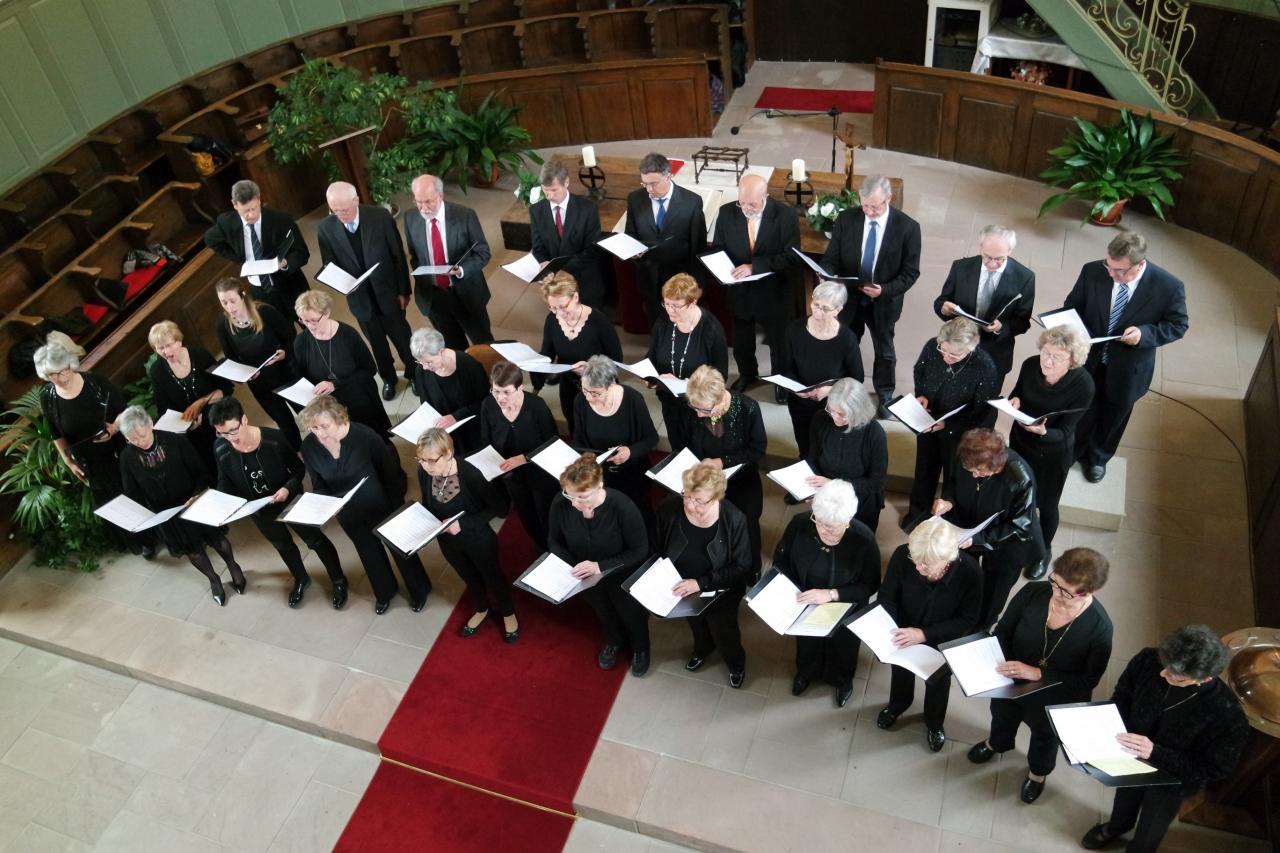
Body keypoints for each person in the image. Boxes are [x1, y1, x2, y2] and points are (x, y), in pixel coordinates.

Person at [1081, 625, 1249, 853]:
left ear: (1204, 678)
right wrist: (1110, 727)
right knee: (1125, 798)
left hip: (1173, 780)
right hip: (1130, 756)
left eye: (1175, 676)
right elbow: (1122, 696)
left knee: (1154, 821)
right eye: (1165, 665)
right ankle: (1117, 827)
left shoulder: (1227, 714)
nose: (1163, 674)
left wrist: (1155, 752)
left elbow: (1214, 768)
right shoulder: (1148, 660)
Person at [967, 548, 1113, 805]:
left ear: (1089, 592)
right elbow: (1003, 632)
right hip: (1012, 680)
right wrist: (1003, 665)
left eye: (1066, 592)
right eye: (1054, 582)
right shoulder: (1033, 592)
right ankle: (996, 744)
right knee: (1002, 715)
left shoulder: (1099, 628)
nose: (1056, 594)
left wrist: (1039, 673)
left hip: (1054, 694)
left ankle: (1037, 773)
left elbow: (1087, 681)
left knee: (1045, 737)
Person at [1063, 230, 1188, 483]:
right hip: (1090, 358)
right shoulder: (1092, 271)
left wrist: (1144, 334)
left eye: (1119, 271)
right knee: (1082, 407)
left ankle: (1098, 458)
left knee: (1114, 415)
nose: (1111, 274)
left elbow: (1178, 325)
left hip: (1128, 369)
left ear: (1139, 264)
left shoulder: (1168, 286)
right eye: (1108, 266)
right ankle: (1073, 449)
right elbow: (1072, 305)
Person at [209, 397, 350, 609]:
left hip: (291, 501)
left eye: (233, 430)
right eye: (222, 433)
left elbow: (298, 470)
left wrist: (287, 489)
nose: (230, 438)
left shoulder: (273, 439)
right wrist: (219, 500)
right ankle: (301, 578)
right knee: (283, 546)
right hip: (260, 511)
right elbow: (224, 480)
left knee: (315, 540)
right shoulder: (220, 447)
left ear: (244, 420)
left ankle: (338, 579)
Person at [299, 396, 431, 614]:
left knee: (399, 549)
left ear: (339, 418)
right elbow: (318, 483)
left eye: (324, 426)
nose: (320, 433)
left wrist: (396, 509)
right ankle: (385, 592)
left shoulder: (366, 437)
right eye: (314, 428)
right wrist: (327, 504)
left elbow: (389, 475)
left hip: (382, 504)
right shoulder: (309, 446)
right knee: (368, 552)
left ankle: (419, 589)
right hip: (348, 512)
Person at [118, 405, 245, 605]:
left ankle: (233, 566)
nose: (139, 442)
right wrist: (141, 514)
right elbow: (132, 492)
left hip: (195, 501)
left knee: (218, 540)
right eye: (132, 439)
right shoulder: (127, 457)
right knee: (193, 551)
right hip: (168, 513)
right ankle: (214, 579)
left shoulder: (175, 440)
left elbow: (201, 473)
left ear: (150, 424)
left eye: (142, 436)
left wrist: (196, 495)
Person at [875, 518, 982, 751]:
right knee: (900, 671)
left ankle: (934, 722)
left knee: (937, 682)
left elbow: (967, 620)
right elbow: (887, 597)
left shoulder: (971, 573)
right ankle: (898, 704)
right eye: (916, 560)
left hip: (942, 637)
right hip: (904, 629)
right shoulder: (903, 555)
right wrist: (890, 628)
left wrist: (924, 634)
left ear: (947, 558)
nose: (918, 568)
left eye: (926, 565)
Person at [36, 336, 149, 556]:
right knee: (112, 501)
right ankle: (137, 543)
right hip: (89, 460)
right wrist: (68, 461)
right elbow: (55, 432)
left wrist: (113, 429)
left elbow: (125, 411)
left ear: (70, 364)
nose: (61, 378)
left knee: (131, 491)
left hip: (116, 450)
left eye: (64, 370)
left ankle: (151, 534)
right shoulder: (47, 396)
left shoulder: (96, 383)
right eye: (53, 375)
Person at [819, 174, 922, 417]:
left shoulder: (908, 228)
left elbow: (910, 273)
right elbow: (831, 258)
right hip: (850, 298)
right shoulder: (847, 219)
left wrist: (884, 290)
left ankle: (885, 396)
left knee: (884, 350)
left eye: (874, 207)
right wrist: (827, 274)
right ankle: (846, 391)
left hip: (883, 301)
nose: (869, 212)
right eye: (865, 206)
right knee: (846, 344)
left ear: (889, 199)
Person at [771, 480, 880, 707]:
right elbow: (781, 561)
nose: (822, 530)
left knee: (843, 647)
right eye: (819, 522)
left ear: (847, 520)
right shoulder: (800, 524)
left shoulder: (864, 539)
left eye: (831, 527)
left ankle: (842, 681)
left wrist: (831, 594)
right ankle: (806, 672)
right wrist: (789, 590)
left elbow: (869, 585)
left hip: (844, 605)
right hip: (805, 600)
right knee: (807, 642)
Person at [549, 453, 652, 674]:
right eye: (569, 494)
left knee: (631, 614)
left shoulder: (622, 507)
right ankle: (614, 640)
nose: (574, 503)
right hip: (584, 574)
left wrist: (599, 566)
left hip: (621, 574)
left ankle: (641, 648)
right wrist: (573, 567)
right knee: (603, 611)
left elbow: (640, 550)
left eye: (582, 497)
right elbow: (554, 541)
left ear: (600, 486)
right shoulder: (561, 503)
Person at [415, 428, 518, 641]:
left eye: (432, 460)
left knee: (492, 576)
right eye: (421, 460)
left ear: (449, 453)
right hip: (447, 540)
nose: (426, 466)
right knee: (468, 576)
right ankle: (481, 608)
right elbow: (428, 502)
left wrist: (463, 524)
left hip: (477, 538)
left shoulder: (470, 475)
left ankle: (508, 612)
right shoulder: (424, 472)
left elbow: (500, 508)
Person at [1007, 326, 1095, 575]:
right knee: (1017, 493)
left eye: (1057, 357)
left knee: (1046, 504)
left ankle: (1042, 552)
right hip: (1021, 441)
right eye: (1046, 353)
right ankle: (1015, 536)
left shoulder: (1084, 385)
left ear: (1072, 360)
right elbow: (1018, 392)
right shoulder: (1030, 365)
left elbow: (1067, 431)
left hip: (1053, 453)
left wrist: (1043, 433)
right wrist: (1014, 401)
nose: (1047, 361)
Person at [656, 462, 752, 688]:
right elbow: (658, 546)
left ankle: (736, 664)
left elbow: (742, 566)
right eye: (687, 496)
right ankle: (703, 648)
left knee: (724, 631)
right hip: (683, 587)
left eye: (699, 500)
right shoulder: (668, 509)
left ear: (716, 498)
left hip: (720, 590)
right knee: (696, 624)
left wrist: (700, 583)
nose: (690, 505)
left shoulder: (734, 519)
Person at [316, 180, 414, 400]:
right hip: (360, 299)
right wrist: (339, 282)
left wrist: (404, 291)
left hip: (388, 293)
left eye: (345, 210)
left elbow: (398, 256)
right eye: (335, 211)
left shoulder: (380, 217)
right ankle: (388, 378)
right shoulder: (325, 228)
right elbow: (329, 265)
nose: (340, 215)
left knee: (403, 338)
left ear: (356, 200)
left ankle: (414, 373)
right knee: (376, 343)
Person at [934, 428, 1041, 629]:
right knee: (964, 574)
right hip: (970, 525)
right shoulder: (967, 459)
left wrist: (979, 539)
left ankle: (981, 628)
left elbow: (1020, 526)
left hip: (1007, 542)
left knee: (994, 590)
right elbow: (953, 484)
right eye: (970, 470)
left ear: (997, 465)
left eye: (980, 471)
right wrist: (948, 501)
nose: (974, 475)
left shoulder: (1020, 478)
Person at [710, 173, 800, 395]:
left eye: (752, 204)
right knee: (742, 341)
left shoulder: (785, 215)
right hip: (741, 289)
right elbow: (719, 247)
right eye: (742, 203)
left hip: (774, 290)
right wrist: (721, 267)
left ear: (765, 196)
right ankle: (747, 374)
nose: (745, 208)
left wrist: (755, 267)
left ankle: (780, 381)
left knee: (779, 343)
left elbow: (791, 257)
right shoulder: (727, 212)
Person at [904, 317, 999, 527]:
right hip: (929, 419)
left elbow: (982, 414)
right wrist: (921, 395)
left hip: (961, 431)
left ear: (970, 349)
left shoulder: (985, 367)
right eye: (943, 350)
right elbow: (920, 371)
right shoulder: (932, 347)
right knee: (924, 470)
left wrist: (949, 425)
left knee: (953, 477)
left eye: (954, 355)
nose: (946, 357)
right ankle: (917, 516)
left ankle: (946, 522)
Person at [680, 365, 767, 579]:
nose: (698, 414)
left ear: (720, 399)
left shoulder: (748, 408)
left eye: (705, 411)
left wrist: (721, 462)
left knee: (747, 521)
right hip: (706, 479)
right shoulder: (695, 408)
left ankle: (752, 568)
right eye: (695, 408)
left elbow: (757, 450)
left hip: (741, 478)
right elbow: (686, 443)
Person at [933, 224, 1036, 394]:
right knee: (950, 393)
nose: (993, 264)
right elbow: (942, 301)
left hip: (995, 352)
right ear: (980, 247)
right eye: (987, 257)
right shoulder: (961, 267)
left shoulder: (1024, 278)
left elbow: (1023, 321)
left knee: (985, 399)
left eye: (1000, 259)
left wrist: (1001, 327)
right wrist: (943, 309)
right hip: (958, 346)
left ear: (1010, 251)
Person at [403, 174, 494, 349]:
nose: (423, 208)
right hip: (435, 297)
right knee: (453, 348)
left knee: (484, 344)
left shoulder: (465, 215)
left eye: (428, 201)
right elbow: (415, 256)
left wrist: (461, 270)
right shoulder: (410, 218)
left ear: (440, 195)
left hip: (466, 293)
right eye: (418, 202)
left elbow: (483, 253)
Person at [571, 355, 659, 537]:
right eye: (585, 390)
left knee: (639, 519)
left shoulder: (633, 399)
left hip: (632, 474)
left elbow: (651, 438)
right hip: (600, 476)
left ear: (611, 385)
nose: (588, 397)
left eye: (595, 393)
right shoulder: (580, 401)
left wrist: (630, 451)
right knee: (610, 523)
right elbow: (578, 442)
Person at [203, 179, 310, 324]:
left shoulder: (280, 219)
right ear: (235, 205)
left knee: (311, 324)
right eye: (245, 211)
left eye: (254, 208)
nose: (251, 214)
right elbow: (210, 239)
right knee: (280, 330)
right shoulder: (226, 222)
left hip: (289, 283)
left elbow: (302, 252)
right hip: (260, 290)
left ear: (259, 200)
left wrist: (285, 263)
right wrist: (239, 258)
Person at [479, 361, 560, 553]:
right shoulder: (488, 405)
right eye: (496, 391)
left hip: (540, 472)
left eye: (506, 392)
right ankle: (542, 547)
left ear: (520, 388)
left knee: (546, 512)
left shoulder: (536, 406)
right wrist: (498, 466)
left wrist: (525, 458)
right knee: (526, 514)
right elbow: (486, 442)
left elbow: (553, 442)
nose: (500, 398)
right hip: (511, 475)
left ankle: (557, 548)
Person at [777, 281, 864, 458]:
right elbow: (785, 368)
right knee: (805, 448)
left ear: (838, 310)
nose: (818, 313)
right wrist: (796, 389)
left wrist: (830, 390)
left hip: (833, 406)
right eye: (816, 305)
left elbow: (857, 378)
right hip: (800, 402)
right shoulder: (794, 330)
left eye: (825, 309)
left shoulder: (847, 338)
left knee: (829, 451)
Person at [214, 277, 301, 450]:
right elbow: (232, 359)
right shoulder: (222, 325)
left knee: (307, 412)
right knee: (284, 423)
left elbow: (291, 338)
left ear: (242, 295)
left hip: (285, 372)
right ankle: (299, 453)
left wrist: (284, 352)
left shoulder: (265, 312)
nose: (229, 307)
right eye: (224, 302)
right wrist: (244, 374)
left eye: (232, 301)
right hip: (260, 383)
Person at [644, 273, 728, 450]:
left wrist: (684, 384)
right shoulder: (663, 322)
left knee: (702, 453)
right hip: (670, 403)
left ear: (692, 303)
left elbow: (720, 376)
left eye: (676, 306)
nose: (669, 310)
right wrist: (648, 376)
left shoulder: (711, 329)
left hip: (700, 408)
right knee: (678, 449)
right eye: (666, 303)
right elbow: (652, 356)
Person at [293, 289, 391, 436]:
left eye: (314, 320)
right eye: (304, 320)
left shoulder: (348, 335)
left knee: (372, 436)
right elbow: (302, 376)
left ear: (327, 313)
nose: (310, 326)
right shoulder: (301, 342)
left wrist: (335, 384)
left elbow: (369, 369)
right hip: (328, 406)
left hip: (357, 396)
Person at [625, 152, 707, 326]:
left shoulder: (691, 202)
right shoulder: (635, 199)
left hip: (680, 280)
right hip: (649, 278)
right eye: (644, 184)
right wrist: (632, 251)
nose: (648, 189)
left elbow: (698, 247)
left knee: (681, 324)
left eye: (653, 183)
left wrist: (698, 284)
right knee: (655, 324)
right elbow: (630, 234)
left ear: (668, 176)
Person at [536, 271, 622, 435]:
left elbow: (617, 359)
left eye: (563, 307)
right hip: (570, 388)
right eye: (553, 308)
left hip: (600, 388)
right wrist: (531, 362)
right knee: (576, 428)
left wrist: (592, 369)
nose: (560, 313)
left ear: (575, 297)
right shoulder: (552, 320)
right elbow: (547, 354)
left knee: (604, 431)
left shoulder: (598, 320)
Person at [147, 320, 233, 476]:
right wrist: (186, 424)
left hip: (218, 418)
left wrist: (200, 403)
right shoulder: (157, 371)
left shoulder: (200, 355)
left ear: (179, 341)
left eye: (169, 345)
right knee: (209, 468)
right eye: (160, 348)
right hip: (189, 428)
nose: (166, 352)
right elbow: (164, 408)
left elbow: (225, 388)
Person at [804, 378, 886, 532]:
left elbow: (876, 482)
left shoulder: (874, 433)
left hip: (860, 498)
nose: (835, 417)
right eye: (831, 410)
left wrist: (833, 485)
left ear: (858, 411)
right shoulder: (820, 418)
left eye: (842, 414)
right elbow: (812, 459)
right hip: (826, 495)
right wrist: (812, 487)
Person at [529, 157, 604, 308]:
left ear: (567, 182)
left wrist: (564, 270)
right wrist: (543, 263)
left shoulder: (587, 209)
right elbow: (538, 247)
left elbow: (593, 249)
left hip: (584, 280)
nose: (549, 196)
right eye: (545, 190)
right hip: (556, 286)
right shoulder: (536, 211)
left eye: (554, 190)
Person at [409, 327, 487, 453]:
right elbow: (425, 403)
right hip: (444, 431)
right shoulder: (421, 371)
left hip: (472, 428)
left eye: (429, 362)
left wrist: (455, 417)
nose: (425, 367)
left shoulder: (469, 365)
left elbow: (484, 401)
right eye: (419, 362)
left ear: (441, 351)